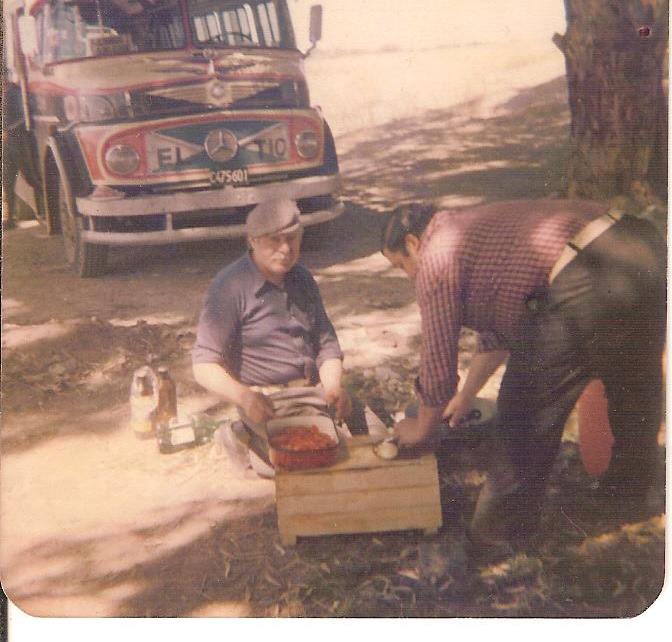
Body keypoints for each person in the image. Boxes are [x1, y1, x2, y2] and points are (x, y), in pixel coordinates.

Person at [380, 199, 666, 547]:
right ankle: (629, 494)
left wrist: (421, 429)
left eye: (401, 266)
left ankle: (497, 535)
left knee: (522, 406)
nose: (409, 276)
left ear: (412, 244)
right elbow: (499, 334)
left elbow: (438, 364)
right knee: (632, 377)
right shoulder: (468, 230)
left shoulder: (436, 255)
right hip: (641, 243)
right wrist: (466, 396)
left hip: (587, 269)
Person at [193, 198, 382, 476]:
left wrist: (333, 387)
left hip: (315, 391)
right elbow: (203, 365)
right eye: (274, 240)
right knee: (317, 459)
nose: (285, 249)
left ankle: (259, 448)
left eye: (292, 239)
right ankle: (241, 439)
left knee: (379, 439)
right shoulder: (229, 286)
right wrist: (245, 398)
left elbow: (327, 346)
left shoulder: (302, 278)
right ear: (253, 241)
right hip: (268, 401)